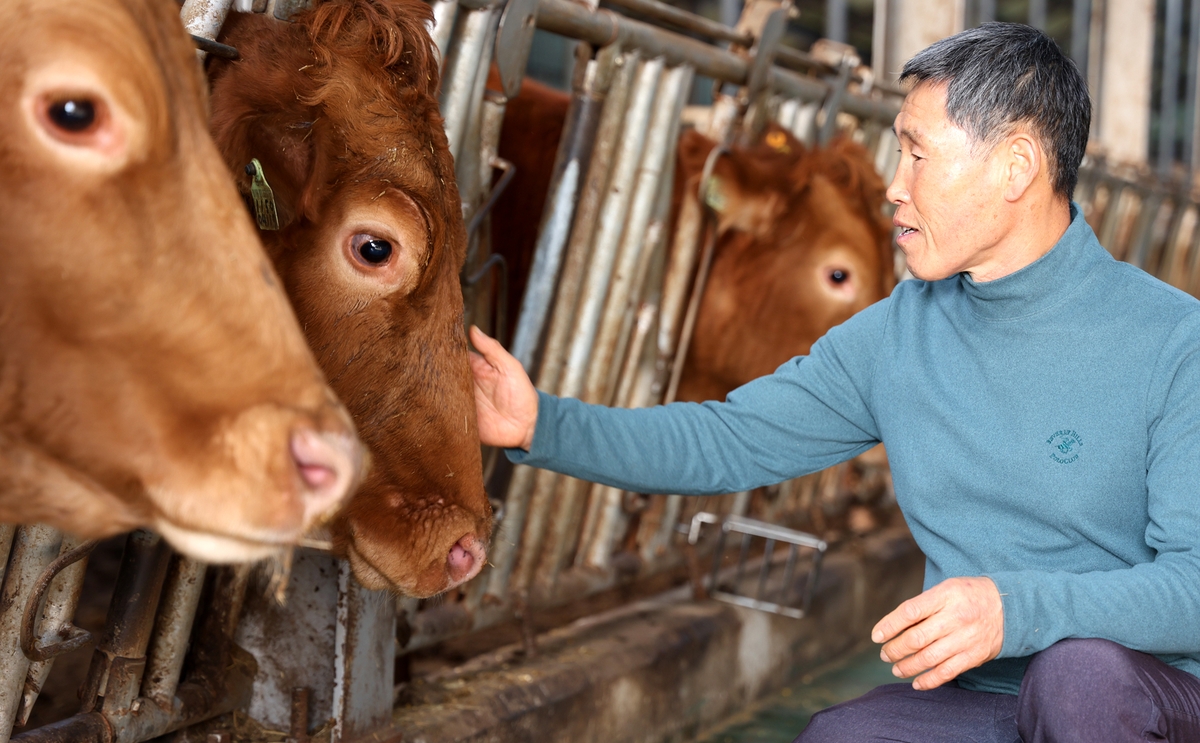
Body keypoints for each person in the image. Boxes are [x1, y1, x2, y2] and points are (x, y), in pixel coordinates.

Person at [469, 22, 1200, 743]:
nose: (894, 187)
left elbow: (1193, 587)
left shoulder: (1173, 340)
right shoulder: (897, 336)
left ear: (1015, 168)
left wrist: (1013, 609)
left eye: (917, 155)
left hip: (1139, 694)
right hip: (979, 698)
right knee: (841, 733)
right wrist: (542, 423)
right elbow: (733, 438)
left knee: (1077, 680)